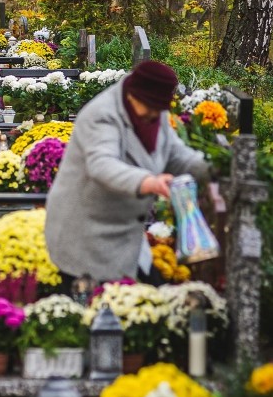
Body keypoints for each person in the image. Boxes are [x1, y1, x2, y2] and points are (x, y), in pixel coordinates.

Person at [45, 61, 210, 285]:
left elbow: (174, 153)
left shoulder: (152, 112)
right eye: (150, 106)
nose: (154, 113)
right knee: (100, 312)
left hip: (125, 233)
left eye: (158, 108)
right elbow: (102, 165)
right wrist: (148, 182)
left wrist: (213, 167)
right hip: (88, 233)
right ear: (133, 93)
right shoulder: (103, 114)